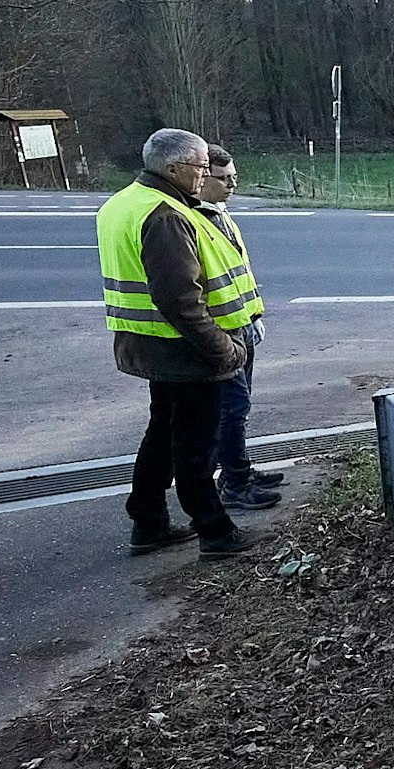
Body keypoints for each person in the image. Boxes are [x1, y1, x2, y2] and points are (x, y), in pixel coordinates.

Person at [96, 127, 259, 557]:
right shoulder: (168, 215)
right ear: (173, 168)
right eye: (201, 167)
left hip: (151, 345)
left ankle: (148, 521)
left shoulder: (125, 202)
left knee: (162, 436)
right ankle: (215, 531)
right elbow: (181, 300)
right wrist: (224, 352)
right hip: (186, 351)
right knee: (194, 447)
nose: (205, 175)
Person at [195, 143, 284, 511]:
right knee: (232, 408)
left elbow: (238, 274)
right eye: (224, 178)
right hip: (222, 331)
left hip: (240, 324)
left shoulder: (220, 212)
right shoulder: (198, 217)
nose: (232, 184)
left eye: (235, 177)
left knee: (238, 407)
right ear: (204, 178)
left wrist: (254, 317)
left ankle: (239, 470)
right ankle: (233, 482)